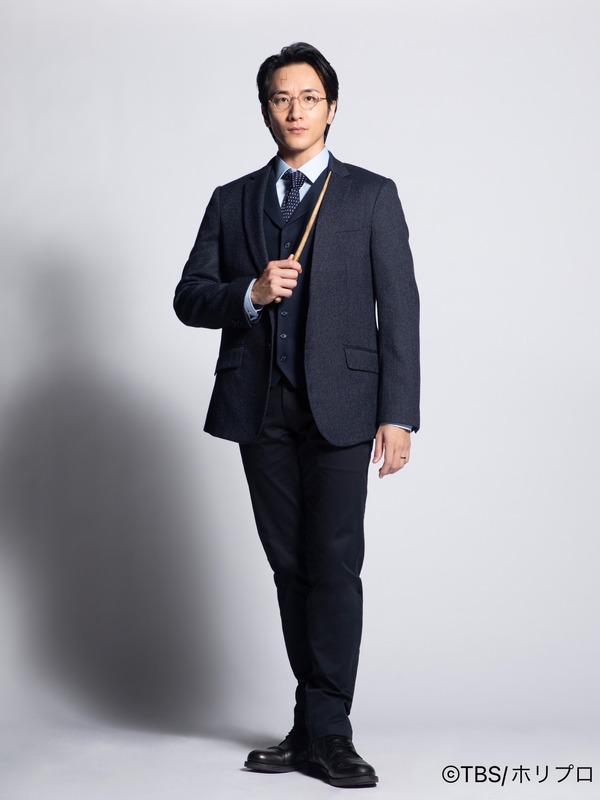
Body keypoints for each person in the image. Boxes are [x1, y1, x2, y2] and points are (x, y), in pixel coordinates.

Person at [173, 42, 420, 789]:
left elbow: (399, 309)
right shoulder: (231, 199)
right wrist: (249, 293)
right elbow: (189, 297)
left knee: (334, 565)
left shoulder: (371, 195)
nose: (295, 110)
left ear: (332, 107)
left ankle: (330, 731)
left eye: (309, 97)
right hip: (260, 407)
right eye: (281, 98)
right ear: (265, 109)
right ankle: (310, 726)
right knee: (290, 567)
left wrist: (399, 413)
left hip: (344, 408)